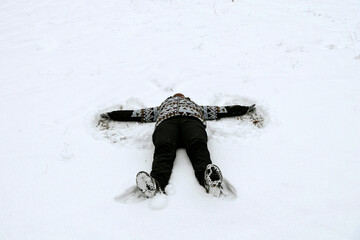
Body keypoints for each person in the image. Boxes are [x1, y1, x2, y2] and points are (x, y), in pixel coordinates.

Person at [100, 93, 256, 198]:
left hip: (191, 121)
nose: (177, 96)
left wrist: (243, 109)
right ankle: (155, 184)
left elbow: (221, 110)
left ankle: (208, 180)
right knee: (163, 147)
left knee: (198, 145)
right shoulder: (161, 108)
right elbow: (137, 113)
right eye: (175, 96)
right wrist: (113, 115)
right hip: (167, 123)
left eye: (180, 96)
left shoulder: (196, 107)